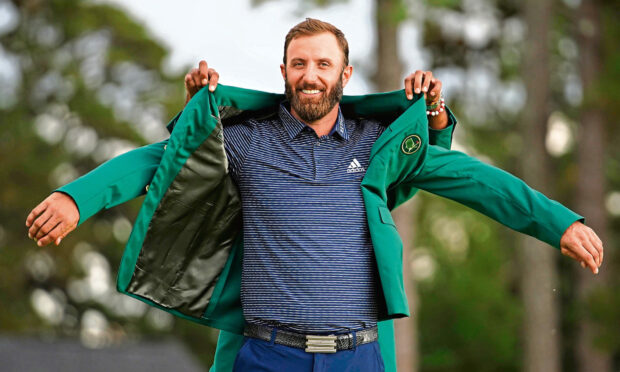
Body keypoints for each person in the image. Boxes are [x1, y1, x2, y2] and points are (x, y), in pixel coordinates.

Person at [25, 18, 603, 372]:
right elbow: (153, 161)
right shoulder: (244, 143)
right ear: (283, 71)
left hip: (358, 357)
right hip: (265, 355)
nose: (310, 74)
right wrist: (77, 199)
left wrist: (560, 223)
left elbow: (478, 181)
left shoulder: (379, 145)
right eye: (299, 63)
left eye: (323, 63)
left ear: (345, 76)